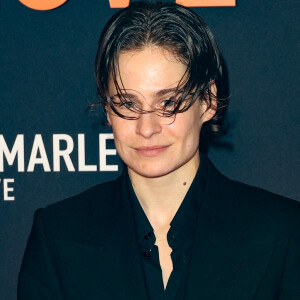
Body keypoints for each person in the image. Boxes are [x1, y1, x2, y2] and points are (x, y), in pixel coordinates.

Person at [18, 1, 300, 299]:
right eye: (128, 104)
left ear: (208, 101)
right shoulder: (58, 235)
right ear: (108, 110)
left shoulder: (282, 231)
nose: (147, 128)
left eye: (168, 103)